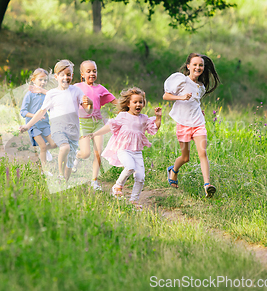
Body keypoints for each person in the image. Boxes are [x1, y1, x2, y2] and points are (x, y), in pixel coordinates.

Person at [20, 60, 93, 181]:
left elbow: (88, 111)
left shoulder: (76, 91)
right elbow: (41, 112)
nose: (66, 77)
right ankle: (59, 174)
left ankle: (64, 182)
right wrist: (27, 126)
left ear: (72, 76)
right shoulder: (52, 94)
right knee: (65, 147)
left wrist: (89, 103)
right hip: (58, 129)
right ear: (56, 77)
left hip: (73, 131)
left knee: (69, 163)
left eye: (68, 74)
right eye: (62, 75)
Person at [89, 87, 161, 208]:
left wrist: (158, 117)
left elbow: (154, 128)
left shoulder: (144, 118)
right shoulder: (123, 116)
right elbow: (110, 127)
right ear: (128, 104)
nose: (138, 104)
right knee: (130, 167)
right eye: (135, 102)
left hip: (137, 152)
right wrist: (95, 134)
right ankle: (117, 186)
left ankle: (134, 201)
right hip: (123, 150)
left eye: (141, 102)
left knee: (140, 177)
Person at [163, 53, 220, 198]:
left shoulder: (200, 86)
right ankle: (173, 170)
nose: (198, 67)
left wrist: (198, 109)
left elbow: (196, 100)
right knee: (185, 158)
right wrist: (180, 97)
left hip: (198, 123)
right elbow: (166, 96)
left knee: (203, 153)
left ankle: (207, 185)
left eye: (200, 65)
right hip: (183, 123)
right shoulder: (181, 81)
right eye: (195, 64)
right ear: (188, 66)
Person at [72, 60, 117, 191]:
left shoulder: (100, 88)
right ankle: (77, 156)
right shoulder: (76, 87)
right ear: (82, 74)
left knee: (98, 153)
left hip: (98, 123)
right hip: (83, 123)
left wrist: (131, 102)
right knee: (86, 153)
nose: (92, 73)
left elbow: (116, 102)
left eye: (94, 71)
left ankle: (94, 181)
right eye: (89, 71)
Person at [20, 68, 56, 172]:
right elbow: (23, 112)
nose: (43, 82)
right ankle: (44, 170)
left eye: (45, 80)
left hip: (45, 124)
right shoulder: (29, 95)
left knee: (54, 144)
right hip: (33, 125)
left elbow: (54, 101)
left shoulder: (46, 95)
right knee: (43, 146)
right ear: (33, 80)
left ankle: (45, 150)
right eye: (40, 80)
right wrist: (35, 116)